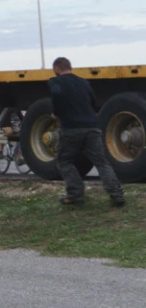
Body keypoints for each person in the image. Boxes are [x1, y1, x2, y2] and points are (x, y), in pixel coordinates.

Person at [48, 57, 125, 209]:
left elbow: (56, 96)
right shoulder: (84, 82)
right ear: (70, 67)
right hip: (92, 127)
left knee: (64, 161)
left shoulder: (55, 82)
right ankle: (117, 195)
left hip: (71, 129)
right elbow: (94, 102)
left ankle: (75, 195)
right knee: (101, 162)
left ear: (57, 68)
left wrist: (56, 113)